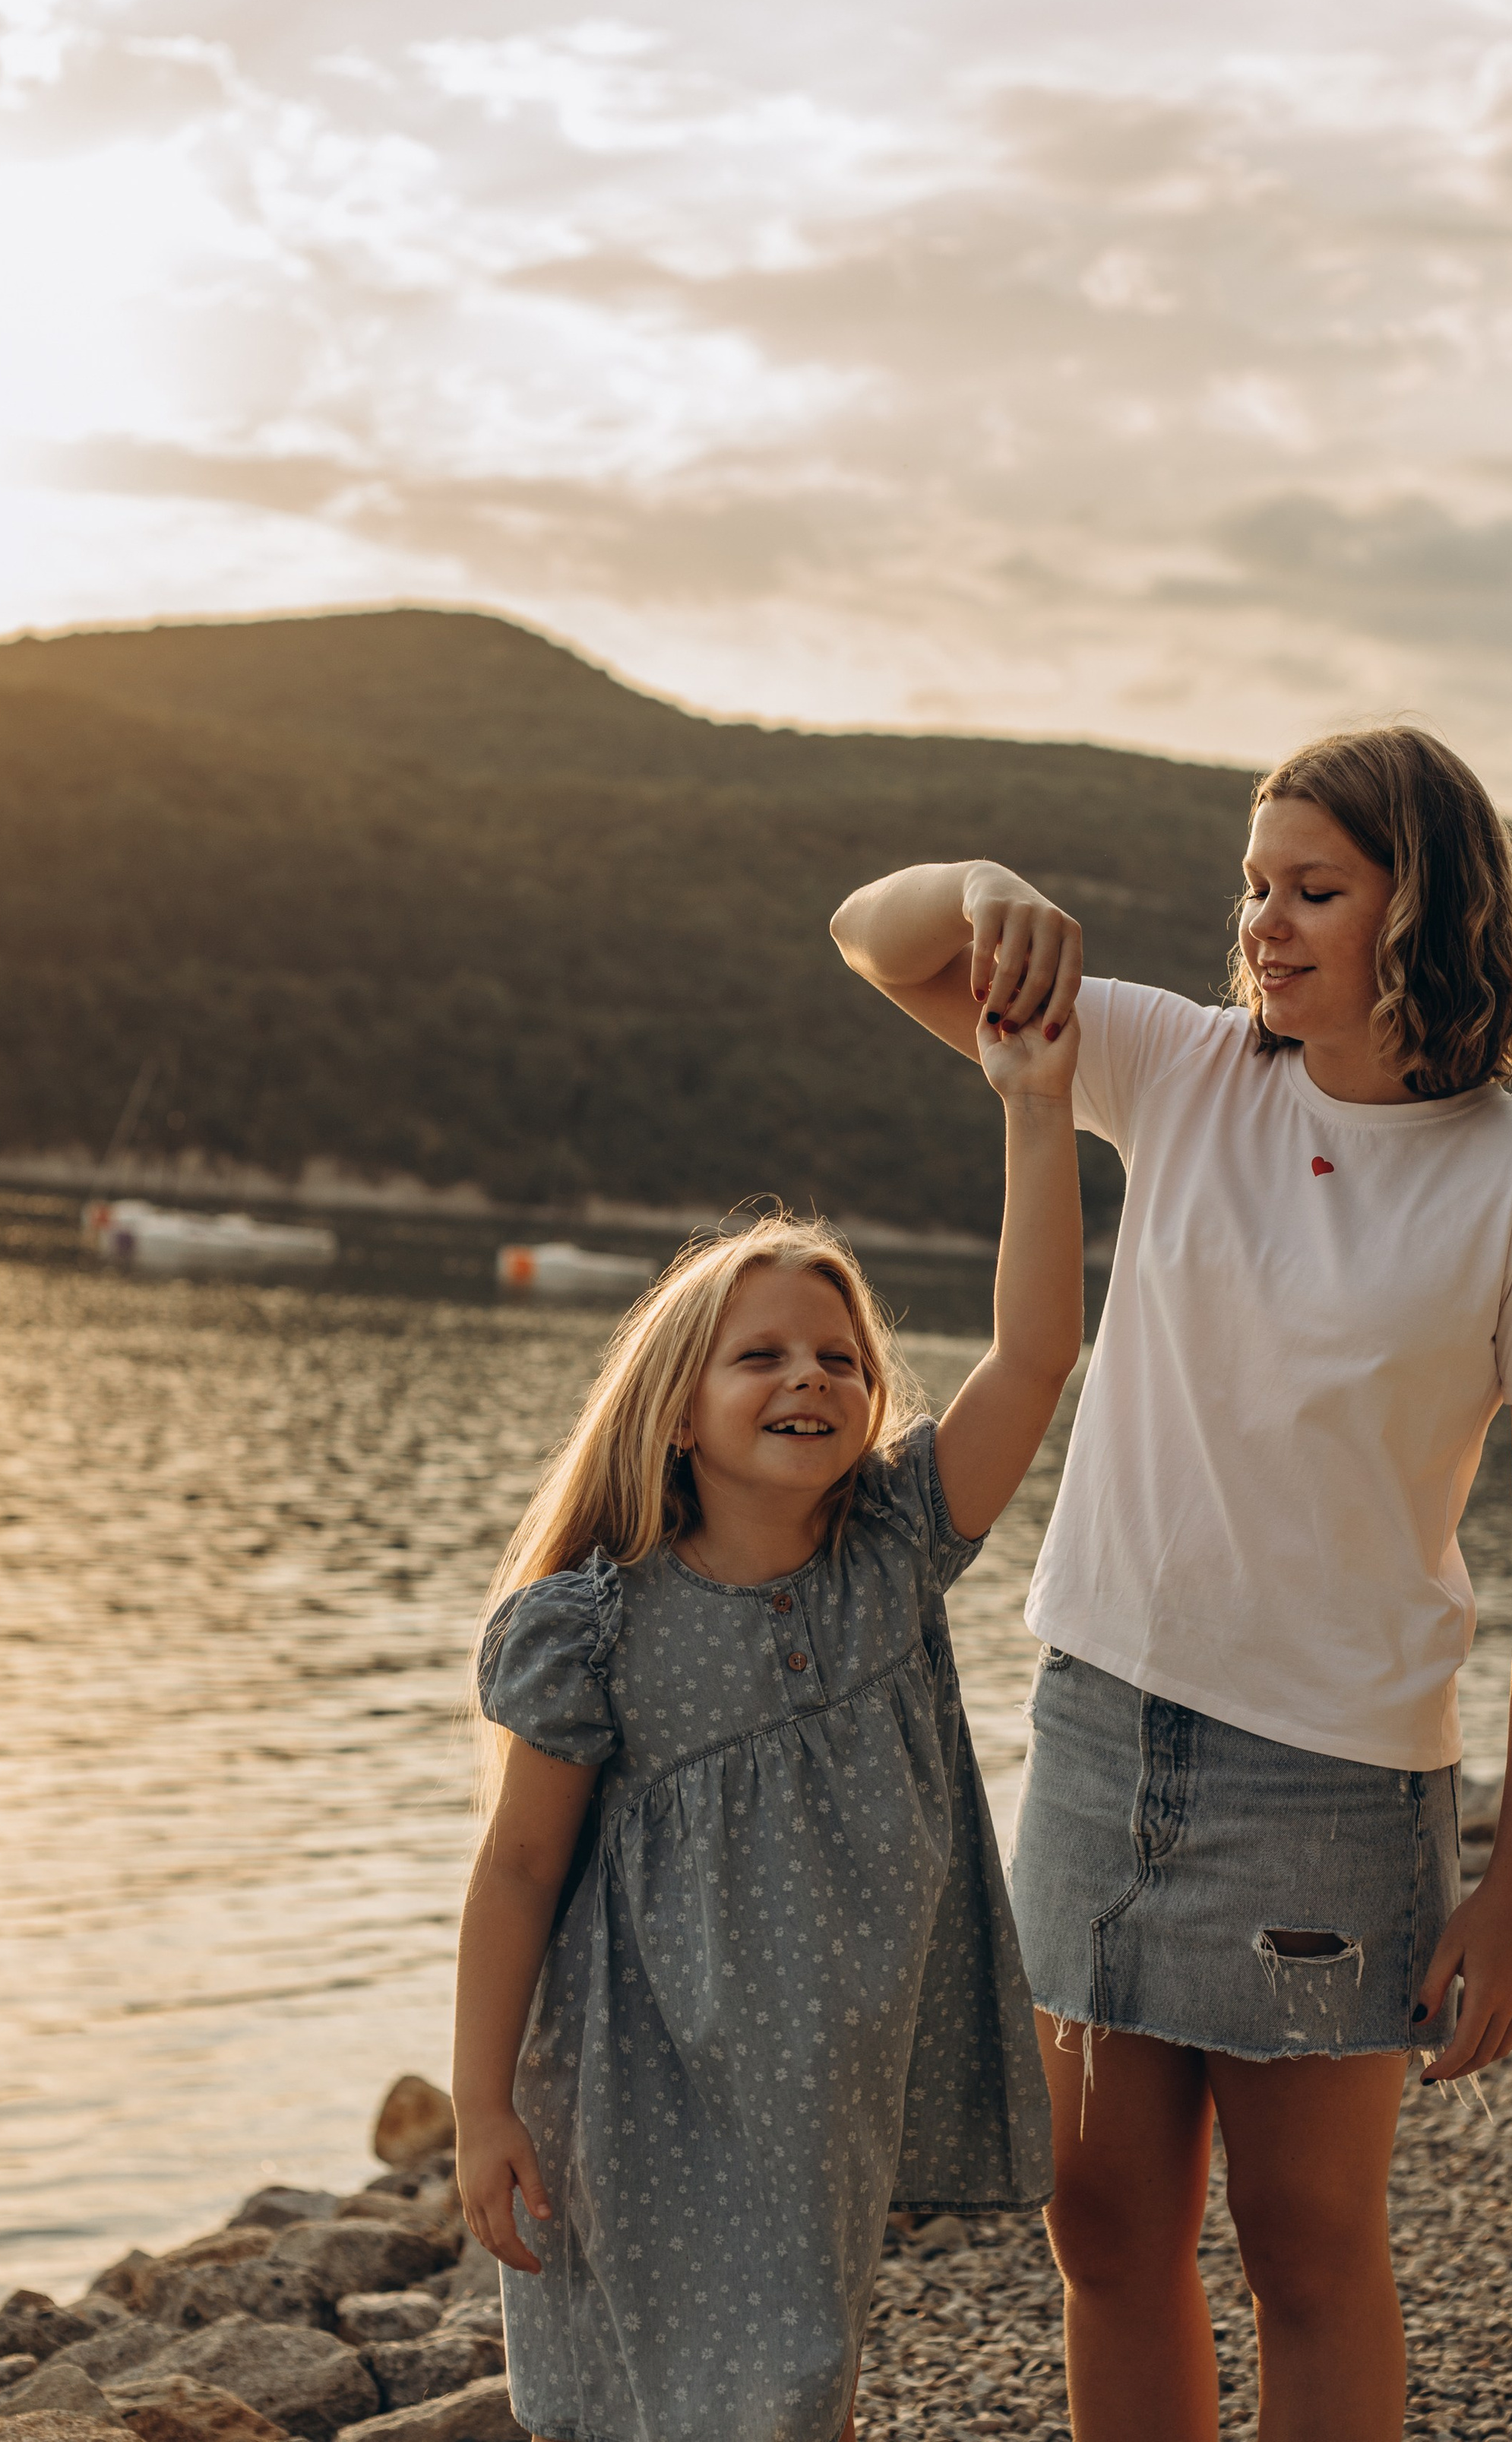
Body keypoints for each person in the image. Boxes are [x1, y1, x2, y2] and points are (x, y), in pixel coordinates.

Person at [828, 727, 1512, 2442]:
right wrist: (980, 890)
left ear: (1425, 908)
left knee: (1307, 2251)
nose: (1262, 924)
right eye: (1252, 884)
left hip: (1328, 1780)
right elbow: (873, 937)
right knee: (1102, 2225)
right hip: (1102, 1725)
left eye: (1311, 890)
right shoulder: (1181, 1069)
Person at [451, 989, 1082, 2442]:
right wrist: (482, 2108)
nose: (812, 1375)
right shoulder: (595, 1628)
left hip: (821, 2087)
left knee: (800, 2378)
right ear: (677, 1408)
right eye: (762, 1356)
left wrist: (1035, 1114)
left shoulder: (895, 1550)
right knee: (709, 2392)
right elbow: (520, 1871)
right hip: (641, 2081)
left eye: (841, 1359)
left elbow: (1036, 1355)